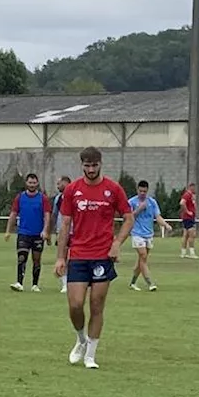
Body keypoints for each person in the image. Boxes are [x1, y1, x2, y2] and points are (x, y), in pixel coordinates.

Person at [55, 147, 135, 369]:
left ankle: (90, 355)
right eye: (87, 165)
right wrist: (61, 257)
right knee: (76, 305)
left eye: (94, 165)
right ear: (82, 166)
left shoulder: (113, 189)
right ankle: (81, 340)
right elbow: (65, 225)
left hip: (102, 256)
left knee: (97, 305)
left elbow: (128, 219)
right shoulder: (72, 190)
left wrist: (117, 243)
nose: (91, 169)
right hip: (79, 254)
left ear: (101, 164)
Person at [6, 173, 48, 292]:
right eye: (30, 182)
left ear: (37, 183)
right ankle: (19, 282)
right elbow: (13, 213)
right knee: (21, 258)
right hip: (23, 233)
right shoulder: (20, 197)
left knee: (36, 260)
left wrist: (45, 230)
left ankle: (35, 284)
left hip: (37, 234)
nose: (32, 185)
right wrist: (8, 230)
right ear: (26, 183)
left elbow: (47, 215)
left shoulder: (42, 198)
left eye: (34, 183)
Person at [127, 180, 170, 292]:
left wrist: (165, 224)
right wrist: (139, 209)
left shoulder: (152, 202)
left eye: (144, 191)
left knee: (142, 260)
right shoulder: (131, 202)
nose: (142, 193)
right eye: (140, 191)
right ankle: (150, 283)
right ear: (137, 190)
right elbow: (127, 217)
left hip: (148, 234)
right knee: (143, 255)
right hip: (137, 234)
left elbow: (157, 217)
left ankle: (132, 282)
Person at [51, 176, 72, 292]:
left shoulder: (76, 196)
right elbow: (54, 215)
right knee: (62, 257)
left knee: (74, 258)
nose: (57, 186)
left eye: (59, 183)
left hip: (76, 231)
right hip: (62, 231)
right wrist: (51, 232)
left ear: (66, 183)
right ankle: (65, 284)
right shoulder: (58, 199)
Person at [179, 182, 199, 259]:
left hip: (189, 218)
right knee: (192, 234)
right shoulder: (187, 195)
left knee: (186, 235)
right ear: (191, 187)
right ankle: (192, 253)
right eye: (194, 188)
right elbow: (182, 203)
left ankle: (183, 253)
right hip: (188, 218)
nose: (195, 189)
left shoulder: (191, 195)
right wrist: (187, 212)